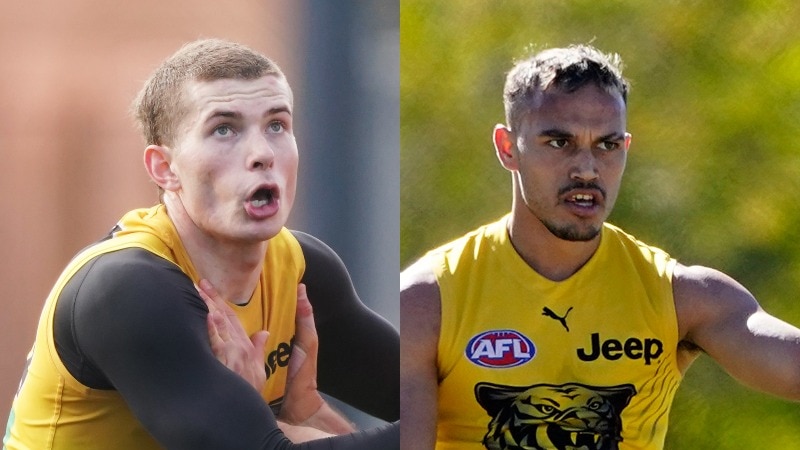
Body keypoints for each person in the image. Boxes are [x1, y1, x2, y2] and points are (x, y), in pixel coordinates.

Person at [399, 44, 800, 450]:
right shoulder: (427, 302)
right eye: (560, 143)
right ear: (508, 148)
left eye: (606, 146)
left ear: (625, 148)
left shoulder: (680, 296)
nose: (587, 169)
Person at [4, 38, 399, 449]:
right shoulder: (126, 290)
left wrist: (308, 419)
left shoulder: (298, 269)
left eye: (277, 125)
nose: (262, 153)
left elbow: (449, 398)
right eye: (224, 129)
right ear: (164, 168)